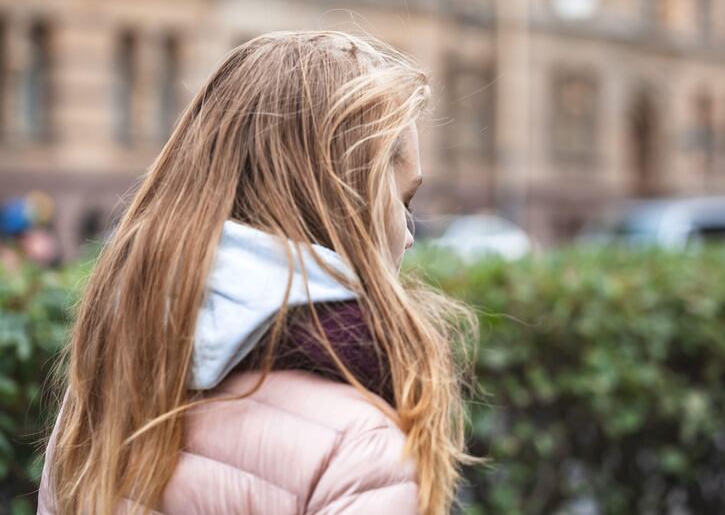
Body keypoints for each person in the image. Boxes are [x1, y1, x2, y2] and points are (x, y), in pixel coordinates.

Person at [36, 30, 478, 514]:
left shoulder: (105, 390)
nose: (410, 233)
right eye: (403, 198)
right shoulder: (362, 447)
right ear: (350, 199)